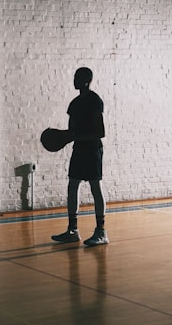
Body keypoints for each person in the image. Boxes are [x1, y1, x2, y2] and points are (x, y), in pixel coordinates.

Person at [51, 67, 109, 246]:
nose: (74, 80)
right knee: (72, 186)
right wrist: (62, 137)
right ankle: (72, 230)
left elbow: (100, 132)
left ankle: (101, 232)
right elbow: (72, 131)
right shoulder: (74, 104)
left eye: (77, 77)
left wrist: (76, 137)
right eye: (74, 77)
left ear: (87, 80)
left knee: (95, 188)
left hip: (92, 149)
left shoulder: (94, 101)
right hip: (79, 150)